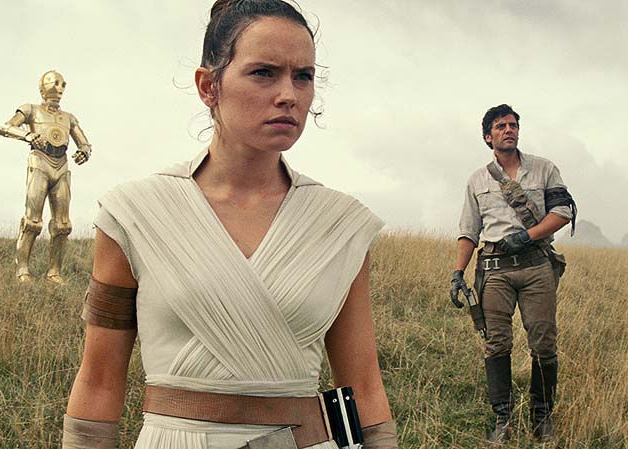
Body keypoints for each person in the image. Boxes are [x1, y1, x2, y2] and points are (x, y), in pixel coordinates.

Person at [61, 1, 397, 448]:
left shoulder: (340, 226)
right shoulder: (134, 215)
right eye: (264, 73)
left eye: (303, 76)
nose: (289, 95)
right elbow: (99, 381)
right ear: (209, 86)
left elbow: (364, 387)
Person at [450, 104, 576, 443]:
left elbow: (563, 212)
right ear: (487, 137)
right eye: (501, 126)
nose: (509, 130)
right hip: (495, 270)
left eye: (513, 125)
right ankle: (502, 420)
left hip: (536, 266)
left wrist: (527, 236)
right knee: (497, 344)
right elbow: (468, 231)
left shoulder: (544, 168)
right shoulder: (477, 180)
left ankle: (542, 417)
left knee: (544, 342)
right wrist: (458, 272)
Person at [0, 70, 92, 283]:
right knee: (32, 221)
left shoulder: (68, 117)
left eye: (62, 84)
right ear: (42, 87)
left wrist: (84, 151)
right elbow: (4, 126)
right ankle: (22, 269)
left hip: (62, 165)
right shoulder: (30, 109)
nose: (59, 88)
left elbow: (84, 142)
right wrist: (28, 134)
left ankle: (54, 272)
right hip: (39, 161)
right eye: (54, 83)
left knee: (63, 224)